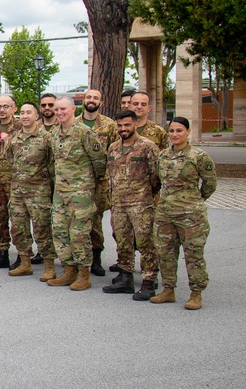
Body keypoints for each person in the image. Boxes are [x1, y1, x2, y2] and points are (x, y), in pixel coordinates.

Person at [150, 117, 218, 310]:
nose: (175, 135)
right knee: (165, 253)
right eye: (171, 131)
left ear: (188, 132)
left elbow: (210, 183)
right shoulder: (163, 155)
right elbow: (159, 181)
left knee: (193, 254)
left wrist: (195, 201)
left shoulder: (199, 156)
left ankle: (196, 293)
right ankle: (168, 289)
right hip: (165, 213)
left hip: (191, 215)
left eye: (179, 131)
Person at [47, 96, 107, 291]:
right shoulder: (54, 134)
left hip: (80, 193)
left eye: (63, 109)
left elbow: (99, 163)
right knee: (60, 232)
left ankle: (83, 274)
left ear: (73, 109)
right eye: (57, 110)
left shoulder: (85, 133)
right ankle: (68, 270)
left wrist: (88, 185)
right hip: (60, 194)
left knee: (79, 234)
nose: (59, 113)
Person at [103, 110, 160, 298]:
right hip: (118, 205)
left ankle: (149, 281)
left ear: (135, 124)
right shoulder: (113, 148)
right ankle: (125, 277)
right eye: (119, 125)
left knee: (145, 243)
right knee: (123, 241)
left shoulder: (147, 147)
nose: (123, 129)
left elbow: (156, 177)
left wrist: (145, 196)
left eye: (127, 125)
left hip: (141, 204)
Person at [5, 102, 57, 280]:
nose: (25, 116)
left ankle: (49, 265)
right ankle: (25, 262)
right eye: (22, 113)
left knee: (42, 229)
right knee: (18, 229)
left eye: (29, 112)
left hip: (38, 193)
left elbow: (52, 165)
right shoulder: (14, 139)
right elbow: (10, 161)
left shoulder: (46, 138)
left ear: (37, 116)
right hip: (18, 192)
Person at [80, 89, 119, 276]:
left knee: (95, 221)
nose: (91, 100)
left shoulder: (109, 125)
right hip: (78, 180)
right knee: (78, 220)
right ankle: (79, 258)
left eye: (95, 98)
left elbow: (115, 151)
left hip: (100, 182)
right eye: (88, 97)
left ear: (100, 102)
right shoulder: (75, 123)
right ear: (83, 100)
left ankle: (96, 259)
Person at [0, 94, 20, 269]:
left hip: (17, 183)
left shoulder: (23, 128)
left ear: (14, 109)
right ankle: (2, 253)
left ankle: (23, 255)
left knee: (19, 221)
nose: (1, 110)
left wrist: (10, 141)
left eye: (5, 106)